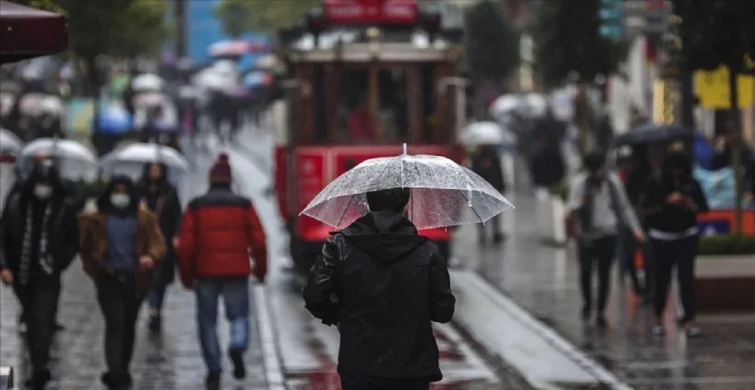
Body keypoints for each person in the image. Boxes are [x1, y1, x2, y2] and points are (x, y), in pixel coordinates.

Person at [302, 187, 456, 390]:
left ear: (366, 204)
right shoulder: (426, 251)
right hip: (412, 366)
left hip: (360, 363)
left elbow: (314, 294)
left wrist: (338, 317)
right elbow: (443, 311)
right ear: (406, 206)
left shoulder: (340, 245)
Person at [176, 153, 267, 390]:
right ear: (230, 181)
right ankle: (237, 344)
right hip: (237, 271)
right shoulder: (244, 205)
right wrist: (261, 269)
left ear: (210, 180)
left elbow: (185, 246)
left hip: (205, 272)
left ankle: (214, 368)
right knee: (239, 315)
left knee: (207, 322)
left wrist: (187, 276)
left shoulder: (196, 206)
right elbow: (259, 241)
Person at [78, 175, 166, 389]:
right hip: (108, 279)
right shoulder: (98, 219)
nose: (120, 196)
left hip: (135, 280)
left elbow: (158, 244)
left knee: (128, 325)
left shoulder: (144, 219)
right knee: (115, 324)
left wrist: (150, 257)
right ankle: (115, 371)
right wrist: (95, 268)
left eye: (124, 191)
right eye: (116, 191)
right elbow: (86, 247)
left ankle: (123, 367)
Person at [0, 160, 79, 389]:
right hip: (21, 274)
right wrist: (4, 266)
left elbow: (73, 241)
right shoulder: (17, 205)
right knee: (33, 321)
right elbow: (3, 236)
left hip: (47, 276)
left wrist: (59, 262)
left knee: (42, 321)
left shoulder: (62, 208)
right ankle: (37, 362)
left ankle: (39, 367)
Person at [567, 152, 645, 327]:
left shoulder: (612, 182)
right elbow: (570, 207)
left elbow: (624, 207)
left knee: (604, 273)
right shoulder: (580, 183)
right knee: (586, 272)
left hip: (607, 234)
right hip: (586, 235)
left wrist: (636, 230)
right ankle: (588, 303)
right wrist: (581, 204)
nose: (595, 173)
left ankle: (601, 309)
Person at [641, 151, 709, 337]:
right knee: (661, 280)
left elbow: (704, 207)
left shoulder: (691, 183)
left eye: (680, 170)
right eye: (673, 170)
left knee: (686, 279)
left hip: (686, 235)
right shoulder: (655, 182)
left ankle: (689, 319)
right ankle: (658, 317)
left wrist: (689, 204)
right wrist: (666, 203)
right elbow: (647, 207)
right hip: (662, 237)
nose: (676, 173)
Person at [138, 162, 182, 332]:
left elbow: (177, 214)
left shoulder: (169, 190)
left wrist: (176, 235)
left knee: (160, 279)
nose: (154, 172)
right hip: (143, 240)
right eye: (152, 169)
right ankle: (153, 309)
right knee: (147, 276)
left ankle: (155, 310)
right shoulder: (138, 189)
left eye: (158, 169)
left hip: (164, 240)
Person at [472, 145, 506, 244]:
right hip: (481, 190)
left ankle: (496, 233)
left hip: (494, 189)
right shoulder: (477, 159)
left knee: (495, 213)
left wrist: (501, 187)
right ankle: (482, 234)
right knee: (481, 213)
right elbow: (474, 174)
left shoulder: (495, 158)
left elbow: (499, 173)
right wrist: (483, 167)